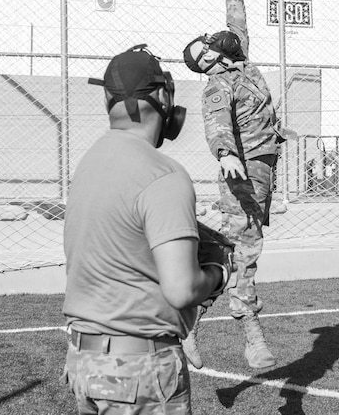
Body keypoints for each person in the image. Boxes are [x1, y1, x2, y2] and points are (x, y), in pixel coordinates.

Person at [61, 44, 230, 414]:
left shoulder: (88, 165)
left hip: (83, 361)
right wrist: (218, 274)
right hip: (138, 368)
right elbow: (182, 288)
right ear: (163, 96)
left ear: (108, 99)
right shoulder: (164, 174)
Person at [182, 0, 285, 370]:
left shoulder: (240, 61)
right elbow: (217, 123)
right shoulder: (218, 85)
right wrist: (225, 154)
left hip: (262, 168)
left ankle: (190, 318)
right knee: (247, 247)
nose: (212, 40)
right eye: (202, 47)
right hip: (240, 174)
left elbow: (236, 18)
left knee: (234, 247)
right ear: (206, 61)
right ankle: (251, 335)